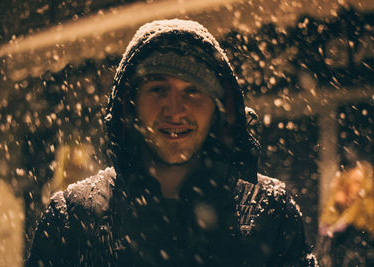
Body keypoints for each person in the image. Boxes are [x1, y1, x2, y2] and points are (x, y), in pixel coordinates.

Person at [26, 19, 317, 266]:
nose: (175, 110)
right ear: (131, 104)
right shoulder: (74, 218)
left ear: (218, 109)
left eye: (192, 91)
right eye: (158, 89)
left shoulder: (270, 213)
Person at [318, 161, 374, 266]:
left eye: (357, 182)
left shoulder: (359, 232)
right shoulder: (332, 227)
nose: (348, 186)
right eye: (348, 181)